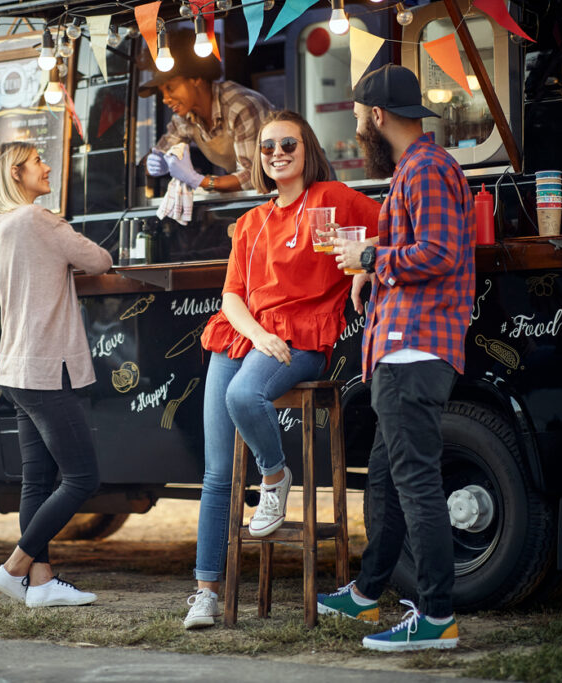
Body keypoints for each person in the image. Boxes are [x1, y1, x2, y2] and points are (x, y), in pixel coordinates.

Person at [183, 110, 380, 629]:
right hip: (247, 335)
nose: (276, 153)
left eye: (287, 143)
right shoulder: (251, 222)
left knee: (244, 398)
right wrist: (258, 335)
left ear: (306, 147)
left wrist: (361, 268)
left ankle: (275, 475)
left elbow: (391, 227)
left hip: (305, 337)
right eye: (267, 147)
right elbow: (231, 297)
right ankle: (206, 591)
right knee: (217, 473)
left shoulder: (331, 200)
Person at [321, 64, 476, 652]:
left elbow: (436, 252)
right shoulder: (419, 168)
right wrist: (374, 262)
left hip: (414, 348)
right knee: (386, 481)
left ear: (377, 116)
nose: (358, 124)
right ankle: (366, 595)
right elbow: (418, 246)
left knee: (415, 485)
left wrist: (371, 261)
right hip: (399, 346)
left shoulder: (428, 169)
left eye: (359, 115)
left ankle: (436, 617)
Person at [0, 141, 113, 608]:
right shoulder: (36, 220)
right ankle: (15, 568)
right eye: (39, 162)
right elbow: (100, 261)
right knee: (82, 478)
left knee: (36, 480)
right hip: (45, 369)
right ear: (17, 173)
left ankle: (41, 583)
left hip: (16, 367)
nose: (48, 166)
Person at [139, 29, 273, 194]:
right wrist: (154, 162)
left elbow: (253, 176)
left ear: (196, 78)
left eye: (170, 88)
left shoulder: (240, 107)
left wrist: (198, 181)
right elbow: (157, 154)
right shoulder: (184, 119)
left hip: (277, 192)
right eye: (162, 92)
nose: (165, 99)